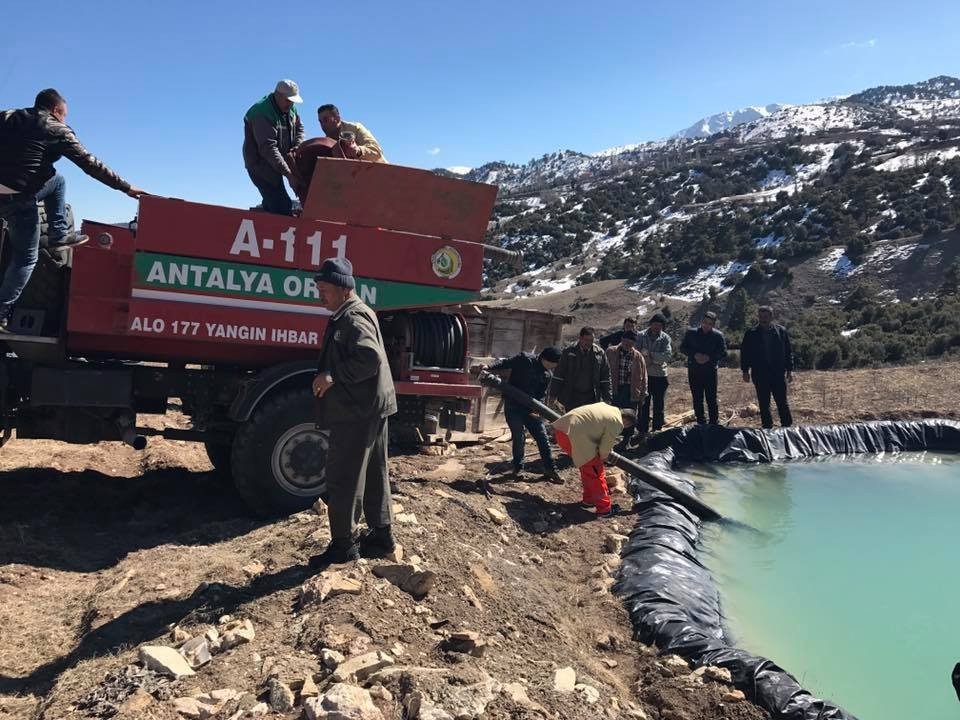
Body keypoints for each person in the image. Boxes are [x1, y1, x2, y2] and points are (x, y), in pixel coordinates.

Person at [0, 88, 144, 328]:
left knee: (57, 181)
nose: (65, 119)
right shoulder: (56, 128)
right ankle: (2, 311)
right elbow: (90, 164)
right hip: (19, 198)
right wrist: (126, 187)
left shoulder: (7, 116)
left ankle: (58, 233)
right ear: (56, 111)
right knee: (26, 258)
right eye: (65, 114)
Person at [309, 257, 397, 566]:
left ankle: (343, 546)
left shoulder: (353, 318)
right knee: (374, 473)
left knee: (344, 475)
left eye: (324, 289)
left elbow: (369, 358)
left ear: (344, 289)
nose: (319, 295)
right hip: (369, 406)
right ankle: (381, 536)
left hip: (357, 410)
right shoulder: (351, 312)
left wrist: (332, 376)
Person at [483, 348, 563, 482]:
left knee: (542, 437)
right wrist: (489, 366)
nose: (554, 366)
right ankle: (518, 468)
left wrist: (538, 408)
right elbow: (505, 363)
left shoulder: (547, 375)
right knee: (519, 437)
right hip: (513, 405)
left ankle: (550, 470)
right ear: (545, 359)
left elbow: (541, 395)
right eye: (553, 363)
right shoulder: (524, 359)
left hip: (530, 409)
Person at [552, 402, 636, 518]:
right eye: (625, 426)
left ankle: (589, 500)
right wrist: (604, 457)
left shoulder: (606, 407)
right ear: (626, 422)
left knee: (588, 467)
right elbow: (605, 448)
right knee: (596, 471)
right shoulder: (616, 421)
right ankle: (604, 509)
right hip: (573, 435)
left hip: (564, 431)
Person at [243, 80, 305, 215]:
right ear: (277, 94)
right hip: (261, 166)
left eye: (293, 101)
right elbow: (268, 148)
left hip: (280, 161)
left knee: (274, 202)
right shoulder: (261, 113)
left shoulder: (290, 108)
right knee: (282, 208)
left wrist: (297, 147)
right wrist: (289, 175)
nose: (291, 103)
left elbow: (299, 128)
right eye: (288, 100)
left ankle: (264, 211)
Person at [740, 306, 793, 429]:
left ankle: (787, 427)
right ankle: (767, 428)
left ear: (771, 317)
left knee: (782, 402)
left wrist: (790, 370)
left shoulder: (781, 331)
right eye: (761, 317)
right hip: (760, 374)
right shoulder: (751, 333)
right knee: (764, 403)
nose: (763, 319)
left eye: (765, 317)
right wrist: (745, 371)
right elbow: (745, 353)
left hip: (778, 373)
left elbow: (788, 352)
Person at [680, 311, 727, 425]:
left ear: (713, 325)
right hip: (694, 371)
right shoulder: (691, 333)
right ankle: (701, 422)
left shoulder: (718, 336)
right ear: (702, 321)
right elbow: (682, 348)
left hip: (710, 371)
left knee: (711, 398)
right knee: (697, 398)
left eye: (710, 324)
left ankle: (714, 422)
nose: (707, 325)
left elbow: (723, 352)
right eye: (705, 322)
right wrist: (694, 354)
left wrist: (709, 357)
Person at [548, 327, 612, 411]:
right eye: (586, 340)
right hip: (570, 396)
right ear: (580, 338)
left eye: (591, 340)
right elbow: (559, 374)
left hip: (591, 398)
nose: (588, 343)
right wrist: (553, 395)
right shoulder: (569, 352)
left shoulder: (599, 353)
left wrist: (607, 398)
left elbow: (605, 377)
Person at [605, 330, 647, 448]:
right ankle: (609, 441)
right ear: (622, 340)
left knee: (630, 416)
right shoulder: (611, 352)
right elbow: (603, 370)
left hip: (631, 390)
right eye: (626, 342)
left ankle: (626, 440)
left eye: (631, 343)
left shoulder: (638, 356)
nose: (628, 345)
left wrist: (643, 393)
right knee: (613, 415)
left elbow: (644, 376)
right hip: (614, 388)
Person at [636, 314, 672, 436]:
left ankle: (657, 430)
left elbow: (666, 356)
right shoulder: (640, 336)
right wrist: (655, 357)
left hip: (660, 376)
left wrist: (649, 356)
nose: (657, 327)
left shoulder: (666, 338)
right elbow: (636, 354)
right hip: (643, 375)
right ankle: (642, 430)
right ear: (651, 324)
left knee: (659, 404)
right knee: (643, 404)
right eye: (655, 324)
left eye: (660, 325)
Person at [318, 104, 386, 163]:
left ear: (338, 119)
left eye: (326, 120)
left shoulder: (355, 128)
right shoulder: (326, 143)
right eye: (320, 121)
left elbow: (377, 151)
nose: (323, 124)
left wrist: (358, 151)